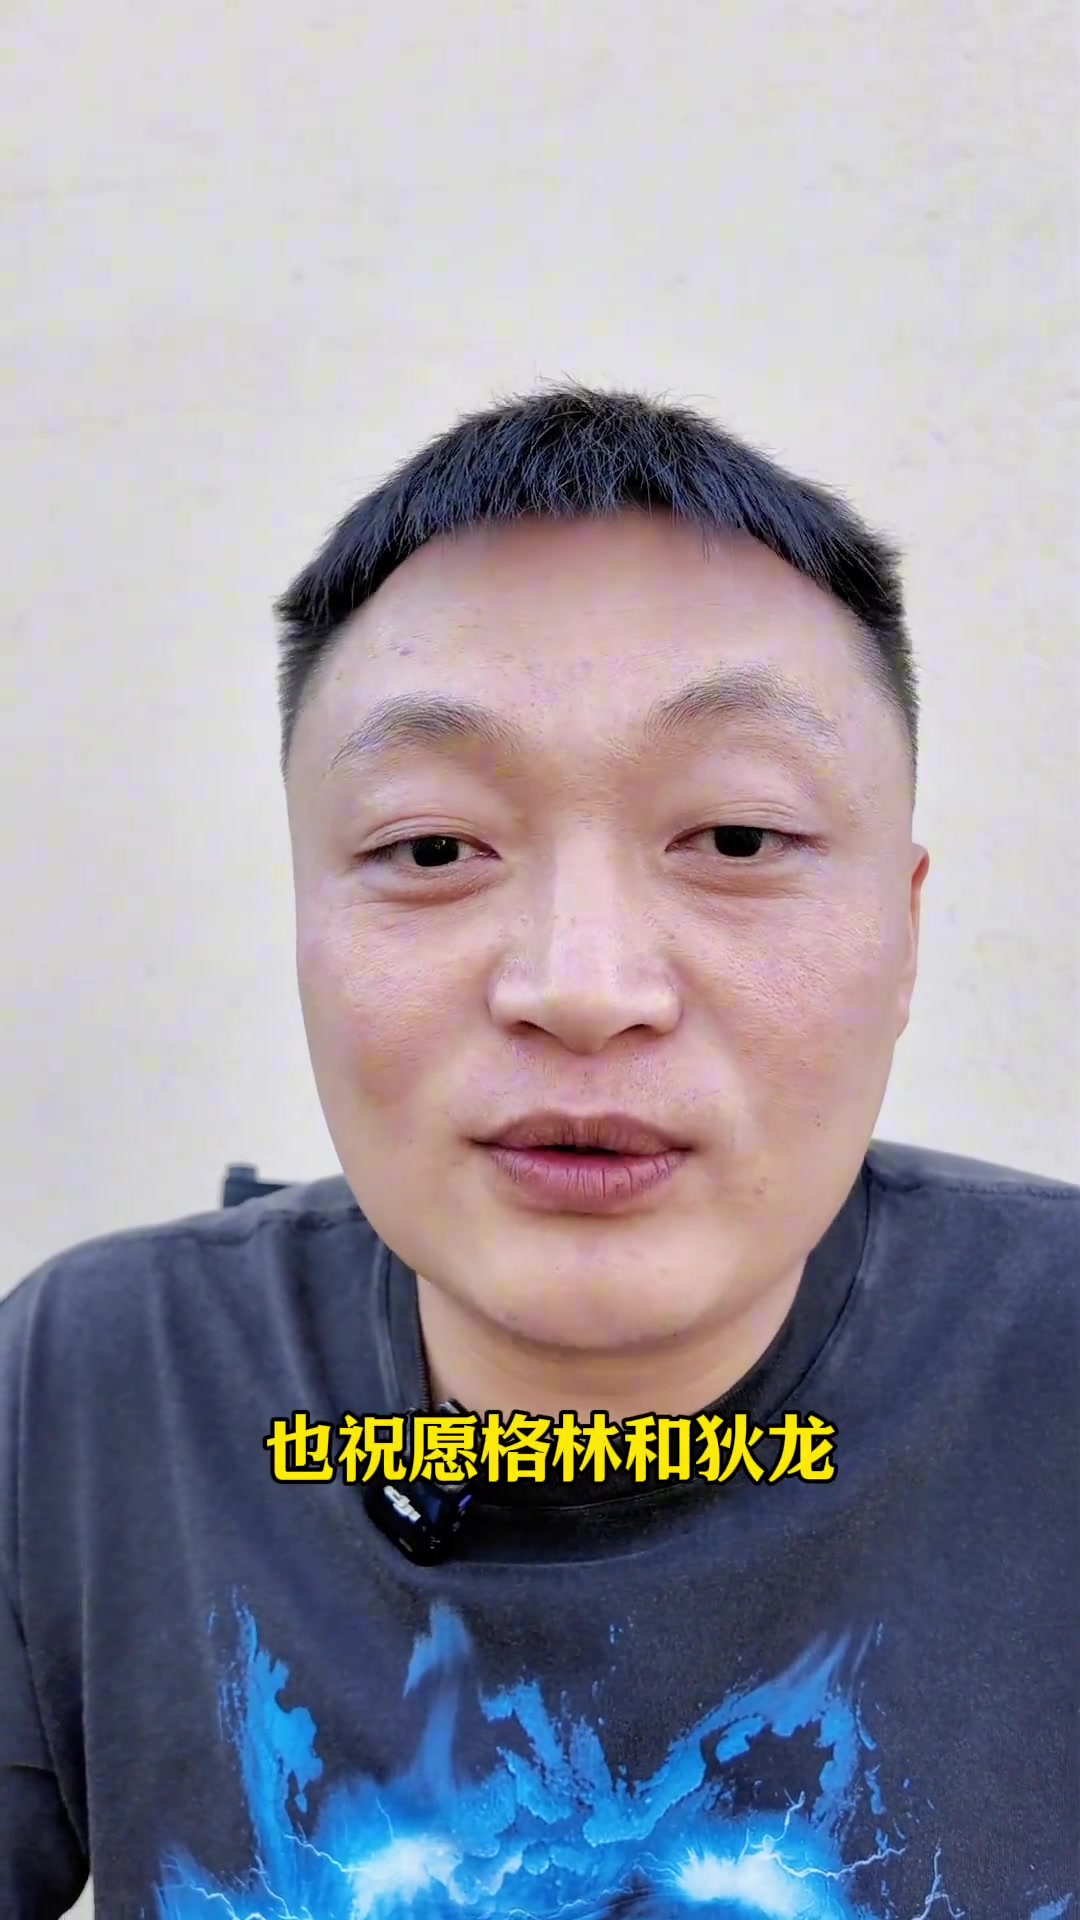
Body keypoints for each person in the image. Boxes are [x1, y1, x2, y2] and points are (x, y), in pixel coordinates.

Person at [1, 386, 1075, 1919]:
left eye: (738, 839)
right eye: (433, 849)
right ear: (303, 919)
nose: (582, 986)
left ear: (904, 934)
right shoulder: (101, 1389)